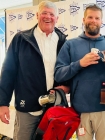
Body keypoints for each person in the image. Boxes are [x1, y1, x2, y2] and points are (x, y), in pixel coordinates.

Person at [0, 1, 69, 140]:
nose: (47, 17)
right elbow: (8, 73)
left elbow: (69, 70)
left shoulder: (64, 42)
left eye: (51, 14)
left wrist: (67, 86)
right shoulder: (21, 39)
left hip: (53, 108)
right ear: (37, 15)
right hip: (27, 107)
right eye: (44, 13)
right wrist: (3, 103)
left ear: (57, 18)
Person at [54, 4, 105, 140]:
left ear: (101, 21)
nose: (93, 20)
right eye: (90, 17)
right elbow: (58, 74)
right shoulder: (70, 45)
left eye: (97, 18)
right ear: (83, 20)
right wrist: (79, 64)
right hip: (79, 110)